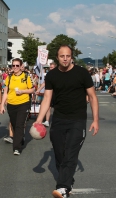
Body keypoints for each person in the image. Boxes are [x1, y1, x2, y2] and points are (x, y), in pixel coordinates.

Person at [34, 45, 99, 198]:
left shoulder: (82, 73)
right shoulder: (52, 75)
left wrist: (95, 120)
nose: (65, 59)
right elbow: (47, 98)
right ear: (57, 57)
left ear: (71, 57)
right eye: (62, 56)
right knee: (59, 154)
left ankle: (63, 187)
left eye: (68, 56)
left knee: (70, 153)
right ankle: (67, 180)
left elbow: (93, 97)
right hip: (58, 119)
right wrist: (38, 120)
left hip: (77, 120)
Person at [0, 58, 34, 155]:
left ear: (21, 66)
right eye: (13, 65)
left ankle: (17, 148)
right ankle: (20, 138)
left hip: (23, 103)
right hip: (11, 104)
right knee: (14, 124)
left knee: (19, 124)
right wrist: (2, 105)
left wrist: (22, 91)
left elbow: (32, 90)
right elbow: (5, 92)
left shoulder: (26, 76)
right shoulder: (9, 77)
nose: (15, 67)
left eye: (17, 65)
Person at [35, 62, 57, 127]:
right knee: (48, 107)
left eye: (52, 67)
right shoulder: (49, 74)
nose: (51, 68)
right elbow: (45, 83)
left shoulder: (58, 74)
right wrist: (38, 89)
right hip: (49, 92)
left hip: (57, 93)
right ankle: (47, 120)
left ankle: (57, 120)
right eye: (50, 67)